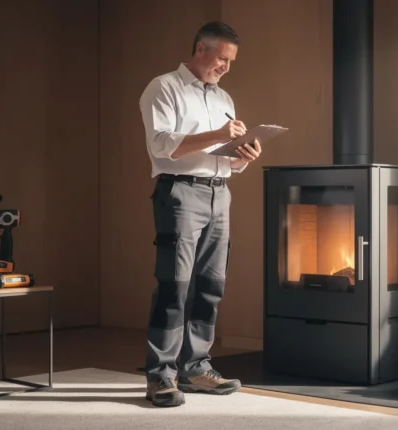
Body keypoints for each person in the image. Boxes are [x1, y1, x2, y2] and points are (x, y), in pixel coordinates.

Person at [139, 21, 261, 408]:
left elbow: (220, 158)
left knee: (210, 286)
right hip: (179, 193)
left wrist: (243, 156)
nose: (226, 66)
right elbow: (162, 147)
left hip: (219, 194)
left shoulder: (224, 98)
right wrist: (220, 135)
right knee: (174, 285)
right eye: (222, 58)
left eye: (231, 61)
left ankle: (196, 369)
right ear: (199, 49)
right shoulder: (163, 87)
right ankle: (161, 377)